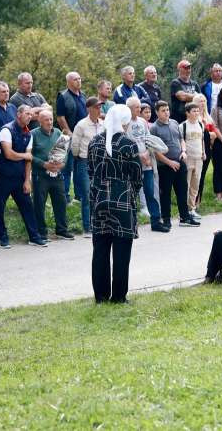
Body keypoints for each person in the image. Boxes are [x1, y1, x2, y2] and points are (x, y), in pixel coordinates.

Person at [88, 104, 144, 304]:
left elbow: (90, 171)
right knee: (121, 253)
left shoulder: (94, 142)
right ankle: (119, 296)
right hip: (122, 203)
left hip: (100, 201)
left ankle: (101, 296)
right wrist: (131, 193)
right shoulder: (128, 144)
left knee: (100, 252)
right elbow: (137, 176)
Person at [0, 105, 45, 247]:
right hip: (2, 176)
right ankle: (2, 238)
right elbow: (8, 154)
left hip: (19, 177)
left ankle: (34, 237)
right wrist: (24, 155)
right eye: (27, 113)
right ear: (19, 114)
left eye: (31, 114)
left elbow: (28, 159)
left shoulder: (29, 134)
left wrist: (27, 180)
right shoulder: (6, 130)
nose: (30, 116)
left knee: (27, 206)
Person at [150, 101, 196, 227]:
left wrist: (184, 151)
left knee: (182, 191)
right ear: (157, 112)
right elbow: (155, 151)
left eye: (167, 109)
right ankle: (166, 219)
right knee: (166, 194)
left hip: (180, 162)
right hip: (165, 166)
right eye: (163, 110)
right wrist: (169, 162)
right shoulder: (154, 128)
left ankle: (184, 217)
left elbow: (181, 139)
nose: (166, 112)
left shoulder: (175, 123)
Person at [124, 97, 168, 233]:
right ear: (129, 108)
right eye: (136, 107)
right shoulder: (124, 123)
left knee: (151, 192)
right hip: (133, 164)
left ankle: (156, 221)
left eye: (139, 107)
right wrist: (138, 155)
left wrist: (148, 154)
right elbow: (124, 143)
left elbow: (149, 139)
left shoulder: (143, 121)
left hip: (147, 163)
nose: (139, 109)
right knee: (131, 194)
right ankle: (130, 223)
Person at [30, 108, 74, 240]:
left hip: (57, 173)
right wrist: (43, 164)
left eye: (50, 119)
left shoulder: (58, 133)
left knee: (60, 202)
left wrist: (62, 164)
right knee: (39, 204)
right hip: (40, 175)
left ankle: (61, 230)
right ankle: (41, 232)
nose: (49, 122)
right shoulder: (33, 134)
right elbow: (29, 156)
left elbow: (63, 151)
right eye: (46, 120)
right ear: (39, 121)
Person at [70, 97, 104, 236]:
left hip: (101, 161)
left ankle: (100, 223)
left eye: (100, 107)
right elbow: (75, 145)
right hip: (86, 161)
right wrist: (79, 156)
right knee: (87, 194)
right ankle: (87, 227)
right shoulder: (81, 125)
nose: (99, 109)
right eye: (96, 107)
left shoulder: (103, 124)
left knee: (100, 193)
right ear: (89, 109)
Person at [55, 71, 86, 203]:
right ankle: (65, 197)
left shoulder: (83, 95)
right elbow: (60, 117)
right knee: (66, 167)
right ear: (68, 82)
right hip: (67, 136)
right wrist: (68, 132)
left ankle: (79, 196)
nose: (78, 81)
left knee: (80, 166)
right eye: (75, 79)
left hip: (82, 136)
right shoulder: (62, 96)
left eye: (79, 79)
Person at [181, 101, 207, 219]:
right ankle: (184, 210)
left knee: (195, 185)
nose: (197, 113)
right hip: (188, 159)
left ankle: (192, 209)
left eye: (197, 111)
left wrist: (204, 152)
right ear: (187, 113)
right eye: (194, 111)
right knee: (185, 185)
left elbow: (202, 140)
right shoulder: (183, 126)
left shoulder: (201, 124)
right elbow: (181, 141)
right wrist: (184, 153)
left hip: (199, 158)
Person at [193, 93, 216, 208]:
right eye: (200, 101)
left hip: (208, 149)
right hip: (197, 149)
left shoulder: (208, 117)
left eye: (204, 101)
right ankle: (192, 199)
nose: (202, 103)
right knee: (195, 176)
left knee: (202, 175)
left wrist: (210, 134)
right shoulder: (193, 117)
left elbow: (214, 135)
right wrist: (208, 134)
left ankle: (199, 201)